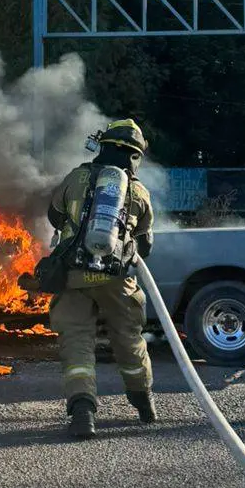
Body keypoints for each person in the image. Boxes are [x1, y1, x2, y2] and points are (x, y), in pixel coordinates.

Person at [46, 119, 156, 440]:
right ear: (135, 156)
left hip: (73, 275)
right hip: (116, 278)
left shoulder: (77, 176)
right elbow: (145, 244)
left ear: (102, 145)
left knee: (77, 342)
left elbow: (53, 215)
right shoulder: (137, 191)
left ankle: (83, 413)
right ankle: (144, 404)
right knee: (129, 339)